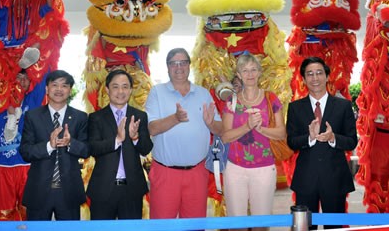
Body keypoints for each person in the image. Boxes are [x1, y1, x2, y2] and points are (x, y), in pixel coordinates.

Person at [145, 48, 222, 219]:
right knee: (162, 226)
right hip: (165, 172)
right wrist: (176, 118)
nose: (179, 67)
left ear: (189, 65)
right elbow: (152, 128)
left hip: (197, 172)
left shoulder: (203, 93)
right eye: (174, 63)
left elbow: (220, 129)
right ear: (167, 67)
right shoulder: (157, 92)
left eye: (183, 62)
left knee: (194, 225)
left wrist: (211, 123)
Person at [286, 57, 358, 230]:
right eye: (309, 74)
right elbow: (291, 141)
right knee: (305, 227)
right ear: (303, 79)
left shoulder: (343, 106)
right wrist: (309, 138)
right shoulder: (295, 107)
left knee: (334, 227)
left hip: (335, 178)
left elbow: (351, 141)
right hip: (306, 178)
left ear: (327, 76)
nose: (315, 78)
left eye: (319, 73)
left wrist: (333, 138)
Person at [221, 54, 285, 231]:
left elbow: (281, 133)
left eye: (253, 69)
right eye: (245, 70)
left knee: (261, 224)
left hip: (264, 169)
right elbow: (225, 137)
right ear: (239, 75)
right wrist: (247, 126)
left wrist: (260, 129)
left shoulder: (271, 99)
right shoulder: (231, 101)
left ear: (259, 72)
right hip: (235, 168)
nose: (249, 74)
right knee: (236, 224)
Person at [19, 70, 89, 220]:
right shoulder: (33, 116)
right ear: (47, 89)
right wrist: (49, 146)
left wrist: (71, 143)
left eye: (64, 85)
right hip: (39, 190)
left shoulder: (80, 117)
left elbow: (86, 150)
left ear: (70, 90)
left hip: (69, 191)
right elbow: (25, 152)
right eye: (54, 85)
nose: (59, 89)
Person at [87, 69, 153, 219]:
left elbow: (146, 148)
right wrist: (117, 140)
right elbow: (92, 148)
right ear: (107, 90)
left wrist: (135, 137)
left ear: (130, 90)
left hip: (132, 189)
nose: (120, 91)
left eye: (125, 86)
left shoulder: (140, 116)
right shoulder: (96, 117)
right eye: (115, 86)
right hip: (103, 188)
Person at [0, 70, 47, 220]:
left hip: (26, 165)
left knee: (28, 210)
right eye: (18, 77)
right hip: (3, 166)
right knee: (4, 212)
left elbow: (44, 74)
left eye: (26, 78)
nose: (22, 81)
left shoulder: (32, 101)